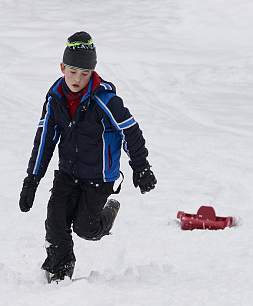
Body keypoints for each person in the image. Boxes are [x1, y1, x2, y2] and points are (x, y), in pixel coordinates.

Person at [19, 31, 157, 283]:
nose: (77, 79)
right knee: (55, 222)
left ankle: (109, 211)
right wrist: (32, 180)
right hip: (67, 173)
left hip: (99, 177)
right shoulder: (55, 99)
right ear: (62, 67)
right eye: (72, 71)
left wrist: (141, 167)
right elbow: (44, 140)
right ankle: (61, 267)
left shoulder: (106, 101)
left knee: (86, 229)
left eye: (84, 73)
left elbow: (130, 131)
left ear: (92, 72)